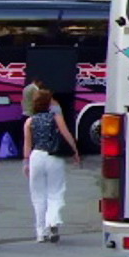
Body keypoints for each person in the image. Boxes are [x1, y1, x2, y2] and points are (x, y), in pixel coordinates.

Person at [23, 88, 79, 243]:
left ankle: (40, 233)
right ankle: (52, 222)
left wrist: (25, 163)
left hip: (36, 156)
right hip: (54, 157)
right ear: (49, 103)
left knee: (38, 196)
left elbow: (27, 145)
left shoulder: (30, 121)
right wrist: (75, 150)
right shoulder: (56, 117)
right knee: (55, 192)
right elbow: (66, 133)